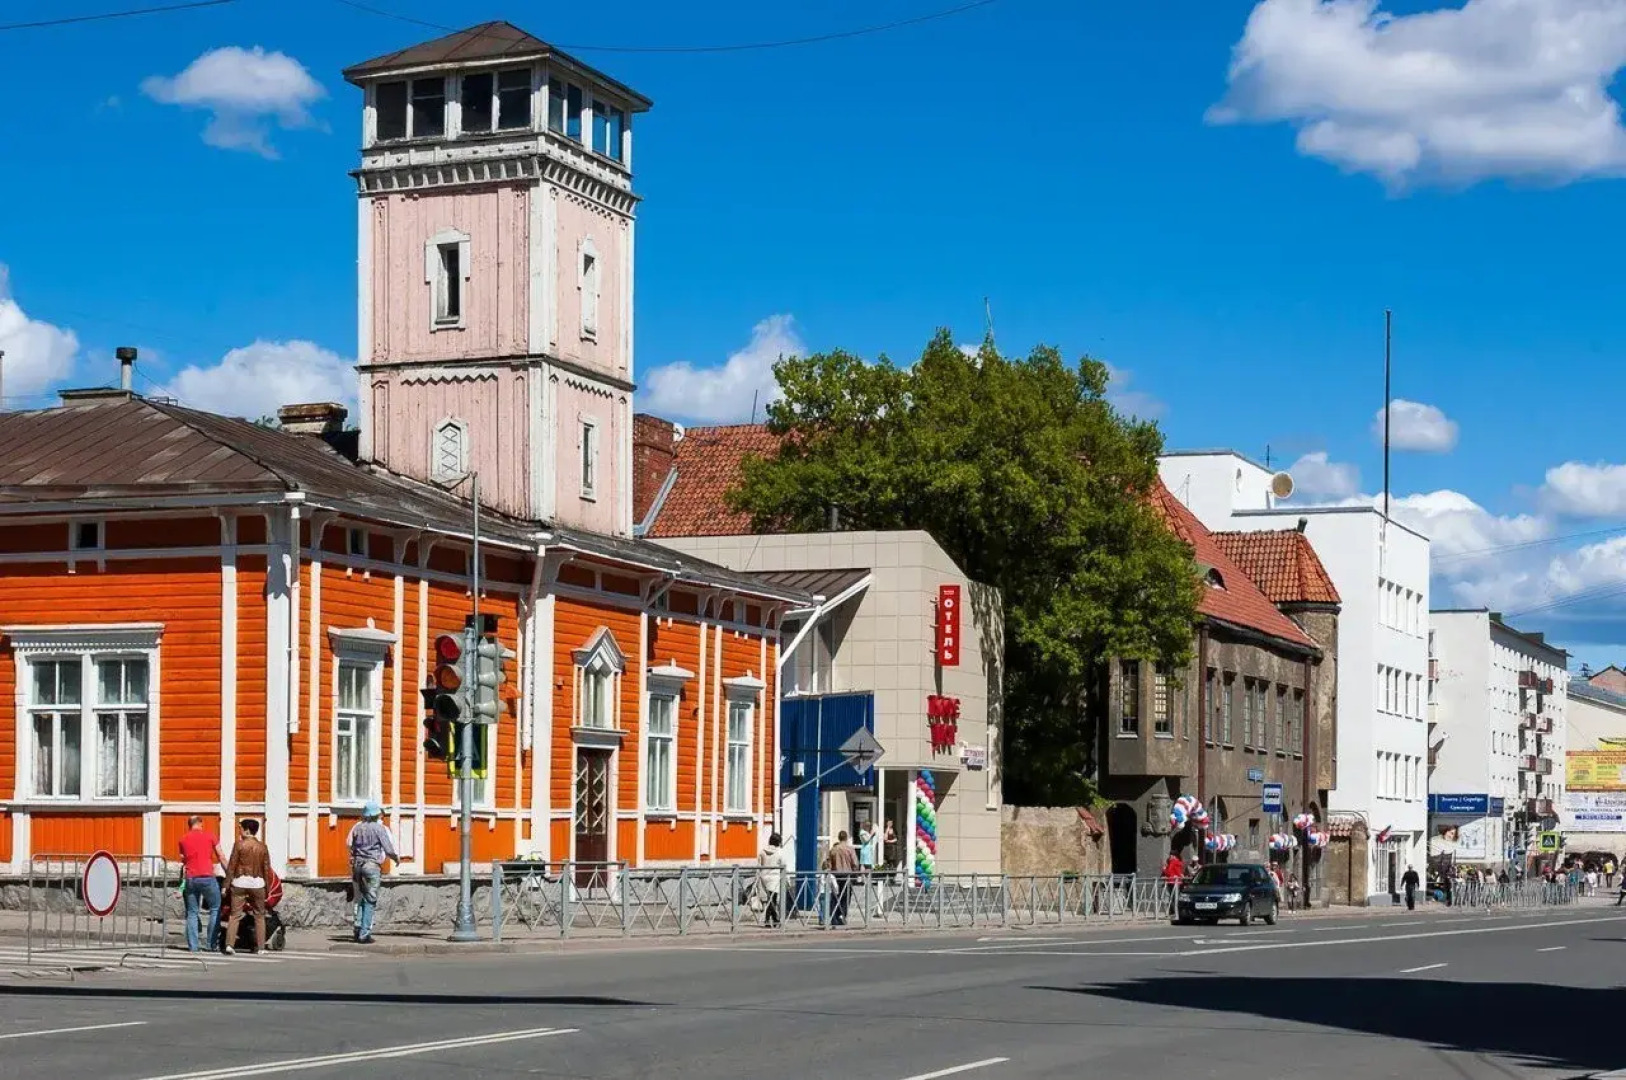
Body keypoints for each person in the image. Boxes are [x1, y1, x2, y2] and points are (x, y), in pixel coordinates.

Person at [347, 801, 398, 945]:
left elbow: (351, 846)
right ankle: (365, 933)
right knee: (370, 899)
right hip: (371, 867)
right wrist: (396, 858)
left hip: (357, 865)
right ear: (377, 815)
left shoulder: (358, 828)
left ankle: (357, 928)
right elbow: (388, 849)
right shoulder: (379, 829)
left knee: (361, 897)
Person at [178, 815, 225, 954]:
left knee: (192, 912)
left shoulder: (183, 839)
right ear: (200, 823)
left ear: (190, 825)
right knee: (215, 908)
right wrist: (229, 873)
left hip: (191, 878)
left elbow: (183, 860)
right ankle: (210, 944)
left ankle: (193, 947)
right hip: (207, 877)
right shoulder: (210, 836)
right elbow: (221, 856)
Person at [223, 819, 271, 956]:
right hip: (258, 884)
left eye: (241, 828)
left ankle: (229, 945)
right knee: (259, 916)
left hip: (239, 883)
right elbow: (266, 869)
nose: (240, 831)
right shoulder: (263, 847)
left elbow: (231, 867)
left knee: (234, 915)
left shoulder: (238, 845)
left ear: (247, 830)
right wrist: (267, 889)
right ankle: (261, 947)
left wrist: (225, 885)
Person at [823, 830, 860, 926]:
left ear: (839, 838)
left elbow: (828, 863)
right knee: (846, 896)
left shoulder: (833, 849)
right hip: (847, 875)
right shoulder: (850, 849)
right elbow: (855, 863)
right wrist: (856, 873)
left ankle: (834, 916)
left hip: (836, 875)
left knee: (835, 896)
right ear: (846, 838)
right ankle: (841, 914)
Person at [756, 832, 789, 927]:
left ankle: (773, 920)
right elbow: (783, 865)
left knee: (770, 900)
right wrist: (787, 879)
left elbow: (759, 864)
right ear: (778, 842)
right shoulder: (779, 852)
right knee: (772, 900)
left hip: (764, 877)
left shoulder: (762, 851)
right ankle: (773, 920)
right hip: (775, 878)